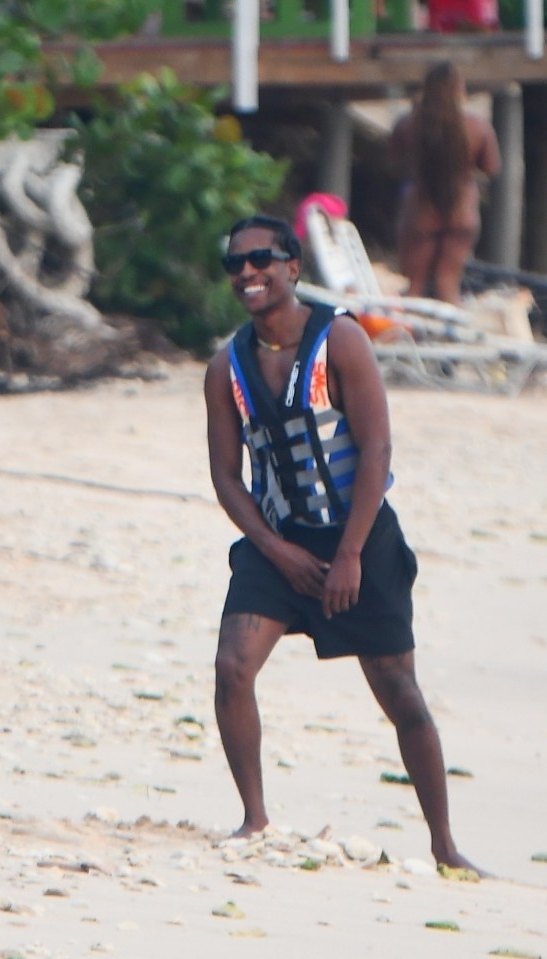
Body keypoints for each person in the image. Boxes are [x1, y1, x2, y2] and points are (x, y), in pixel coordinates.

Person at [203, 213, 480, 873]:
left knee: (399, 689)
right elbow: (224, 475)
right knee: (232, 667)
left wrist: (351, 553)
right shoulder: (227, 365)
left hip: (360, 535)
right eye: (236, 264)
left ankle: (444, 844)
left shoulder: (342, 339)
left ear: (294, 267)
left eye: (263, 259)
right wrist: (276, 550)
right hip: (279, 542)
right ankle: (254, 817)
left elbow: (377, 447)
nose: (249, 272)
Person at [387, 60, 500, 305]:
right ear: (459, 89)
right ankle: (450, 337)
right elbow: (491, 168)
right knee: (448, 284)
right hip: (462, 208)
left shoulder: (408, 124)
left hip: (420, 208)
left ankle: (410, 339)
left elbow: (393, 162)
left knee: (413, 285)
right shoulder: (478, 126)